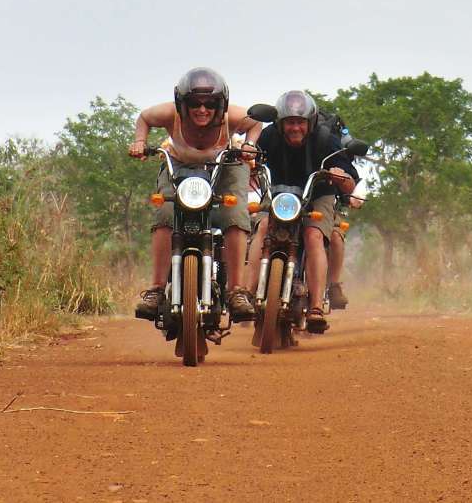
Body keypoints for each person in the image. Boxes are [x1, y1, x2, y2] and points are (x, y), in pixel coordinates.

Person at [129, 68, 263, 322]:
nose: (202, 110)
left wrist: (249, 145)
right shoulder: (170, 114)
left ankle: (236, 291)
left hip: (226, 166)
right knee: (165, 213)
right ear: (183, 104)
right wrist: (139, 141)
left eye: (210, 104)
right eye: (195, 104)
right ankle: (156, 290)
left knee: (235, 215)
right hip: (178, 166)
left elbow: (256, 123)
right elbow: (144, 118)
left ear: (220, 105)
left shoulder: (231, 117)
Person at [247, 90, 358, 333]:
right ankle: (245, 293)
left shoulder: (326, 139)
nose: (294, 127)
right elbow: (252, 161)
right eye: (289, 122)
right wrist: (249, 169)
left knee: (313, 236)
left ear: (310, 122)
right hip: (280, 195)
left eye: (299, 122)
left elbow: (350, 180)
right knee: (263, 227)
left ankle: (316, 307)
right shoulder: (268, 136)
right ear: (280, 123)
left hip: (317, 195)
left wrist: (341, 177)